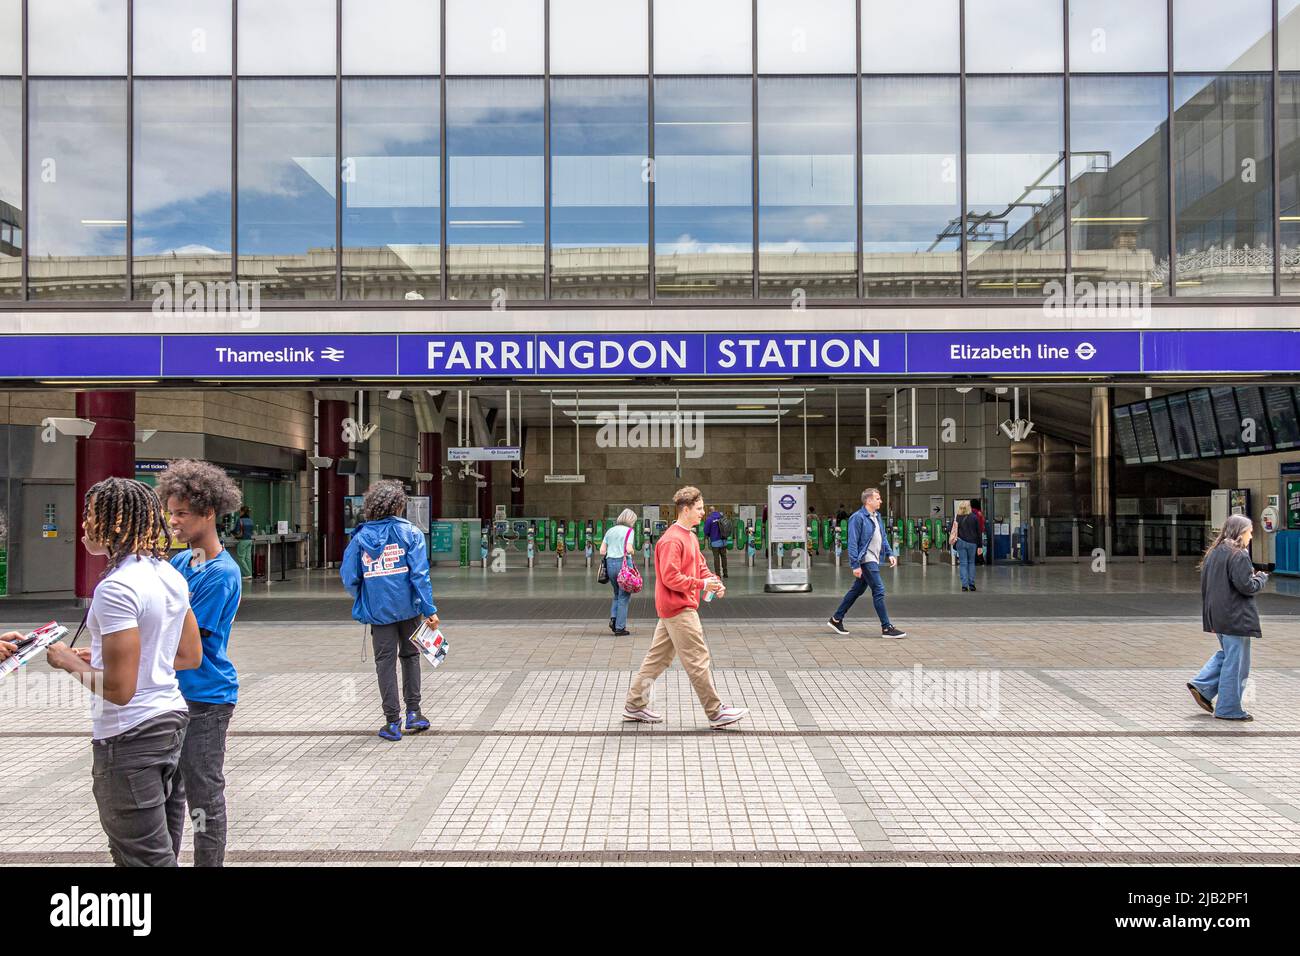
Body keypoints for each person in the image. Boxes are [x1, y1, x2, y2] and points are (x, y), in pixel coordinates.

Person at [35, 477, 202, 866]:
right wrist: (101, 654)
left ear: (114, 523)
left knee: (142, 859)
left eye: (89, 516)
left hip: (130, 735)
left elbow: (119, 689)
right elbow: (188, 654)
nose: (82, 527)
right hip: (171, 721)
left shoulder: (117, 588)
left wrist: (68, 661)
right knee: (162, 850)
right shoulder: (168, 575)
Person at [155, 460, 243, 867]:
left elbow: (188, 641)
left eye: (181, 514)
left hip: (206, 698)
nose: (173, 522)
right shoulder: (179, 563)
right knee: (170, 793)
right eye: (170, 513)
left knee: (203, 793)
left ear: (209, 513)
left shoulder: (221, 573)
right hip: (175, 694)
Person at [623, 486, 748, 729]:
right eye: (700, 509)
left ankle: (635, 705)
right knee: (698, 659)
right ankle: (715, 712)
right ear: (686, 509)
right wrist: (702, 584)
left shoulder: (689, 536)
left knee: (657, 660)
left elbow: (700, 566)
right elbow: (671, 577)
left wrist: (713, 582)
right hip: (679, 608)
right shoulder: (672, 540)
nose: (703, 513)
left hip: (672, 609)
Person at [340, 480, 439, 741]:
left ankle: (392, 722)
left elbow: (349, 576)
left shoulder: (360, 538)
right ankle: (414, 713)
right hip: (409, 610)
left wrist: (366, 595)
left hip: (378, 612)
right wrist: (430, 609)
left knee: (384, 663)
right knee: (411, 657)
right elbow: (420, 575)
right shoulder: (411, 534)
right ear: (398, 505)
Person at [1188, 514, 1267, 722]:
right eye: (1249, 531)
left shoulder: (1215, 552)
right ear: (1241, 532)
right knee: (1237, 663)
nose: (1251, 535)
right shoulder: (1238, 554)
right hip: (1236, 617)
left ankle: (1202, 685)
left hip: (1219, 615)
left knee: (1229, 655)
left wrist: (1210, 618)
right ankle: (1229, 708)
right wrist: (1260, 578)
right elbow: (1246, 586)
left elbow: (1207, 587)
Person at [827, 487, 906, 638]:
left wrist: (890, 553)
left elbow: (882, 537)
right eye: (878, 498)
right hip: (866, 559)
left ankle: (836, 619)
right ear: (868, 500)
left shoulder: (877, 516)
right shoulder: (858, 517)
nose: (880, 501)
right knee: (879, 590)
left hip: (874, 559)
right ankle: (886, 627)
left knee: (857, 590)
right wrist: (855, 565)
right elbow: (853, 542)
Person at [599, 508, 638, 636]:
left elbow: (602, 551)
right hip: (624, 564)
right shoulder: (629, 531)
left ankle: (614, 618)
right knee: (624, 596)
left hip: (610, 564)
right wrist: (632, 551)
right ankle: (620, 628)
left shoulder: (610, 530)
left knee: (617, 594)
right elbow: (628, 548)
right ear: (631, 520)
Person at [950, 500, 982, 592]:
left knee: (963, 563)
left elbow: (950, 528)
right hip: (972, 543)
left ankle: (964, 586)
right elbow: (978, 532)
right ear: (969, 507)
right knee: (971, 563)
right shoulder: (974, 517)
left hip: (960, 542)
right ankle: (972, 584)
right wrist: (979, 546)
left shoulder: (957, 518)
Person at [701, 505, 729, 579]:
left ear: (710, 511)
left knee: (716, 558)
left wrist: (708, 535)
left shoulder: (709, 519)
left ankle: (718, 574)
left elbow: (706, 530)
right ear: (715, 510)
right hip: (724, 541)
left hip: (715, 541)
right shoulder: (722, 516)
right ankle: (725, 573)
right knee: (724, 557)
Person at [233, 506, 254, 579]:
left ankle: (247, 574)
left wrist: (231, 532)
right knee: (248, 558)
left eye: (240, 512)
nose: (239, 513)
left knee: (240, 558)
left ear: (242, 512)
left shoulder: (240, 520)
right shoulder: (250, 520)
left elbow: (236, 530)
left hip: (243, 540)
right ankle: (250, 573)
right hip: (249, 540)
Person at [970, 499, 986, 563]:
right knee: (979, 546)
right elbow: (982, 522)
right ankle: (980, 559)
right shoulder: (980, 513)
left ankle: (975, 559)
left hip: (972, 532)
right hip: (980, 531)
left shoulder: (971, 512)